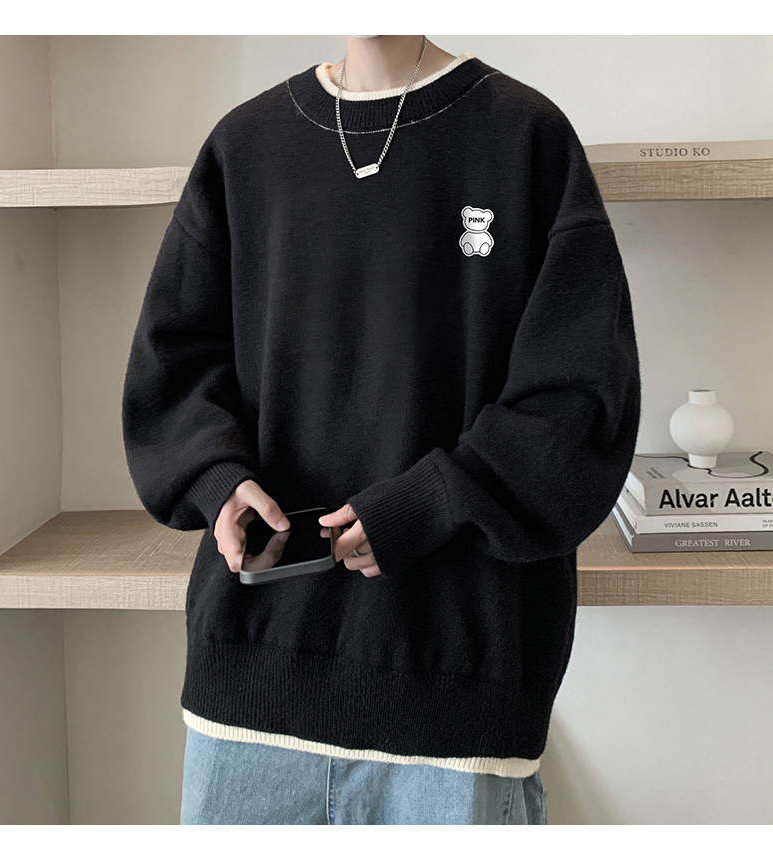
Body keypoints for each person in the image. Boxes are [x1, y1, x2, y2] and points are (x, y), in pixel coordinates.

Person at [121, 34, 642, 825]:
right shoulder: (244, 145)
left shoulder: (525, 137)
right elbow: (172, 364)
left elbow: (581, 404)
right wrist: (217, 480)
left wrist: (431, 501)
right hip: (250, 694)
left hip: (456, 696)